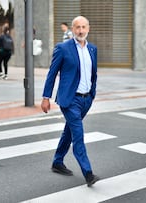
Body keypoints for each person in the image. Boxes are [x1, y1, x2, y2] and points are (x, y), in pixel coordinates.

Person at [41, 16, 99, 187]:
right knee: (78, 134)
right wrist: (46, 97)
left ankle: (57, 161)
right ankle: (88, 173)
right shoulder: (63, 48)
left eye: (83, 27)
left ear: (88, 28)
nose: (80, 31)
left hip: (86, 99)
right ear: (72, 30)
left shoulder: (92, 49)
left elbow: (93, 74)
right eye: (77, 27)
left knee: (70, 131)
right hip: (70, 100)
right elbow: (52, 73)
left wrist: (92, 94)